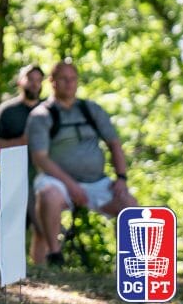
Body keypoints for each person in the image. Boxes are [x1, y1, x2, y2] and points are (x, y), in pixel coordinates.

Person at [25, 60, 137, 266]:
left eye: (73, 79)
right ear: (52, 82)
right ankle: (54, 255)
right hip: (57, 180)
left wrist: (121, 178)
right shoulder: (41, 115)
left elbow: (114, 144)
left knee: (130, 206)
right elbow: (40, 158)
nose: (69, 84)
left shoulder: (91, 110)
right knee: (48, 195)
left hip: (96, 181)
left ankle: (130, 267)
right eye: (63, 79)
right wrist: (71, 185)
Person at [0, 64, 48, 262]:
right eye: (30, 79)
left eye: (39, 80)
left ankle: (41, 275)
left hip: (43, 177)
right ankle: (3, 274)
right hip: (14, 176)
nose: (35, 84)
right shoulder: (7, 110)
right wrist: (19, 142)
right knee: (8, 228)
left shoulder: (49, 110)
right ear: (20, 82)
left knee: (44, 229)